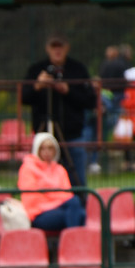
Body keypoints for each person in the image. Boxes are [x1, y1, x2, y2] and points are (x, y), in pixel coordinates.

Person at [21, 34, 97, 188]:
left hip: (72, 135)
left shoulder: (78, 69)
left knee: (76, 179)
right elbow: (23, 97)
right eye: (53, 46)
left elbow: (90, 100)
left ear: (67, 48)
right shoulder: (37, 69)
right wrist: (38, 86)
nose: (57, 50)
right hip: (45, 136)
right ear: (47, 49)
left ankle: (79, 208)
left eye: (60, 46)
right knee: (40, 179)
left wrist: (69, 91)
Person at [17, 132, 85, 231]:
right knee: (78, 213)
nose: (47, 152)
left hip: (60, 208)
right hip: (38, 213)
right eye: (43, 148)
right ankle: (73, 243)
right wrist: (56, 196)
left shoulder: (59, 169)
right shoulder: (28, 168)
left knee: (76, 206)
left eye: (50, 148)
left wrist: (46, 192)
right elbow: (32, 198)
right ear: (37, 149)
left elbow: (67, 195)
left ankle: (71, 243)